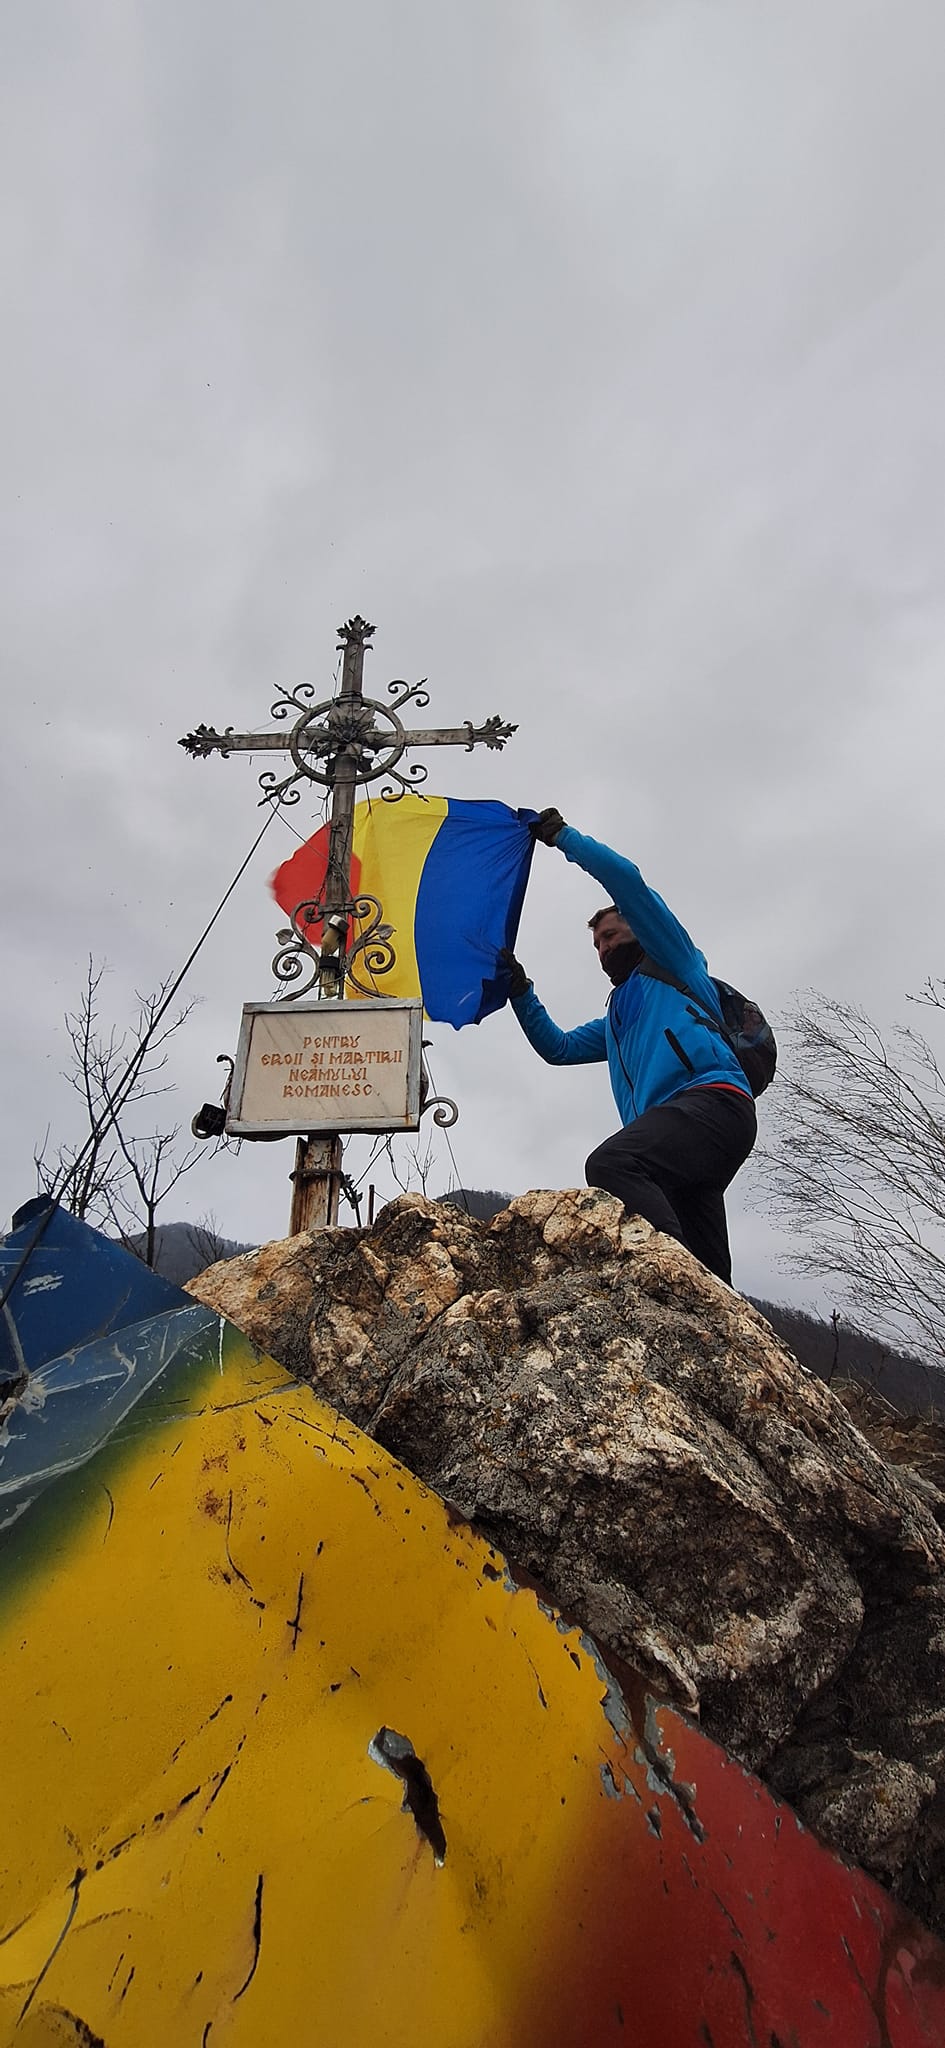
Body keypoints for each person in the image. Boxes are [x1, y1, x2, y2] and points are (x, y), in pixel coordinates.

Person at [501, 808, 757, 1285]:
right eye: (597, 945)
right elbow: (558, 1048)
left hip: (713, 1102)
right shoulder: (616, 1022)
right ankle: (706, 1308)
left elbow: (627, 881)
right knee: (709, 1274)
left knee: (613, 1163)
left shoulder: (673, 960)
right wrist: (520, 991)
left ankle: (666, 1276)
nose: (603, 950)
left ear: (638, 930)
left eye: (610, 936)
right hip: (680, 1142)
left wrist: (563, 838)